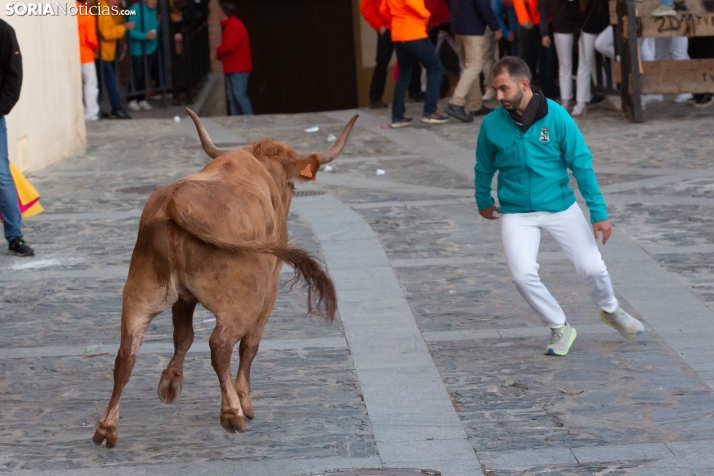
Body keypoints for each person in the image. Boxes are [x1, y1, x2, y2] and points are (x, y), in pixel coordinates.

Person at [475, 56, 643, 356]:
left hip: (561, 206)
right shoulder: (491, 125)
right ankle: (559, 327)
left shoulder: (557, 117)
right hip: (516, 211)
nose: (498, 96)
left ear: (523, 85)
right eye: (495, 89)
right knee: (522, 274)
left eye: (503, 89)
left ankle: (610, 310)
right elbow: (483, 167)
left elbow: (581, 165)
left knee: (592, 267)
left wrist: (599, 213)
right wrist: (483, 200)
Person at [380, 0, 450, 126]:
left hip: (397, 33)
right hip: (414, 32)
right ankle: (430, 112)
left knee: (404, 74)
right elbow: (413, 2)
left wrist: (397, 18)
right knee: (436, 68)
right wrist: (425, 15)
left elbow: (383, 10)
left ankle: (397, 117)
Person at [0, 19, 34, 257]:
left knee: (1, 174)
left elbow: (14, 74)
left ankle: (15, 236)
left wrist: (1, 107)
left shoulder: (4, 31)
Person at [444, 0, 503, 122]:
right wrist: (496, 27)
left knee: (469, 67)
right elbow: (483, 5)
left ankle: (475, 105)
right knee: (474, 66)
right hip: (472, 27)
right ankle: (456, 102)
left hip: (457, 25)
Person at [570, 0, 610, 116]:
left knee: (586, 64)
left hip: (593, 26)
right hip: (592, 27)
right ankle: (582, 101)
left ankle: (582, 102)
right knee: (587, 64)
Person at [97, 0, 135, 119]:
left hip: (107, 52)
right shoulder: (102, 9)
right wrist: (123, 28)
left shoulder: (113, 9)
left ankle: (111, 109)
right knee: (111, 82)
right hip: (102, 53)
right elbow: (107, 33)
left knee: (103, 83)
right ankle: (116, 109)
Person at [513, 0, 557, 99]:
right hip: (533, 17)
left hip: (548, 16)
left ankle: (549, 93)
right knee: (531, 59)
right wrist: (523, 16)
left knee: (548, 60)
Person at [217, 2, 253, 116]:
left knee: (238, 95)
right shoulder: (230, 26)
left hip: (238, 67)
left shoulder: (235, 26)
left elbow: (229, 46)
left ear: (224, 13)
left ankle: (249, 118)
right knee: (232, 97)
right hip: (232, 67)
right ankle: (236, 120)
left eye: (219, 11)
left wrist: (218, 50)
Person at [127, 0, 160, 112]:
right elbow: (129, 32)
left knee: (146, 74)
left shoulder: (154, 9)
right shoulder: (134, 9)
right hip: (137, 48)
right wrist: (145, 36)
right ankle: (131, 99)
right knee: (138, 74)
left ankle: (141, 98)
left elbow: (156, 23)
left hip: (151, 47)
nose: (154, 2)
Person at [78, 0, 100, 121]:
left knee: (78, 84)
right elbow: (91, 38)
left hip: (73, 52)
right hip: (86, 53)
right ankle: (91, 112)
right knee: (90, 83)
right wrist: (96, 46)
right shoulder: (87, 13)